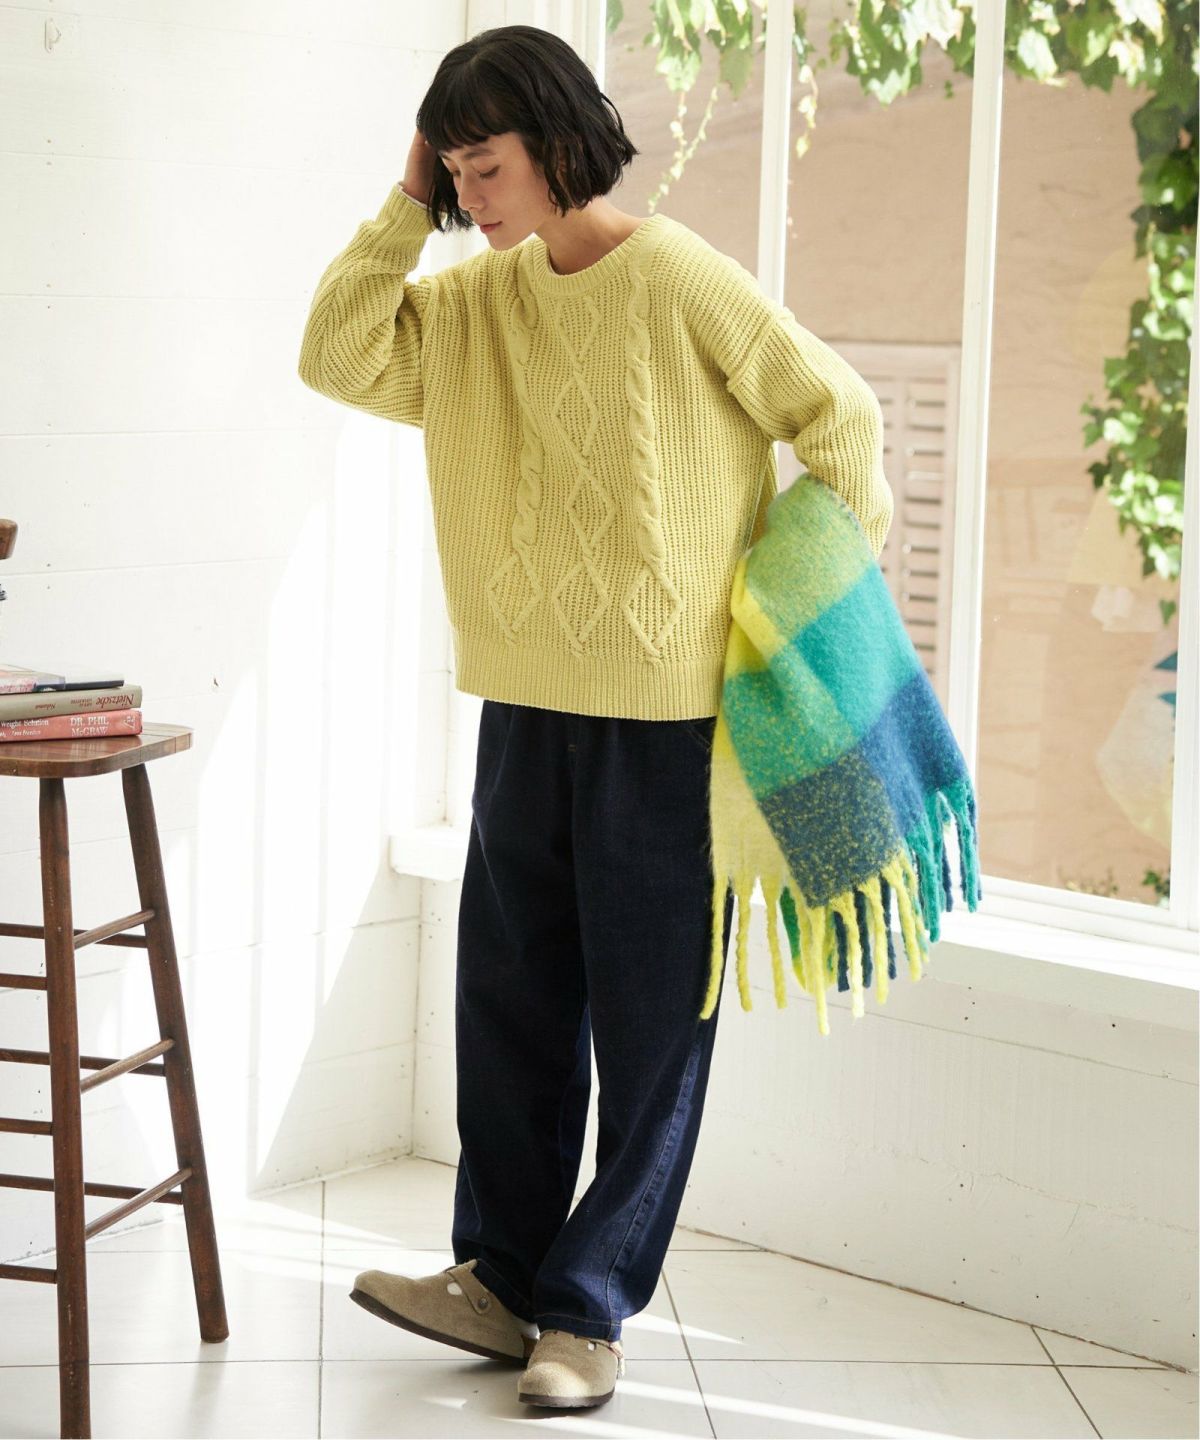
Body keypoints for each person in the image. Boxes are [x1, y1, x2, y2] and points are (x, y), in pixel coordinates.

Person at [297, 23, 893, 1412]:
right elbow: (333, 353)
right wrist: (407, 200)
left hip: (668, 722)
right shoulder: (475, 307)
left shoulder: (680, 278)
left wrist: (778, 613)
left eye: (485, 166)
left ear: (560, 141)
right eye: (453, 171)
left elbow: (844, 421)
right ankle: (502, 1279)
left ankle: (587, 1311)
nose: (469, 196)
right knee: (510, 1003)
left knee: (650, 1027)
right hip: (524, 701)